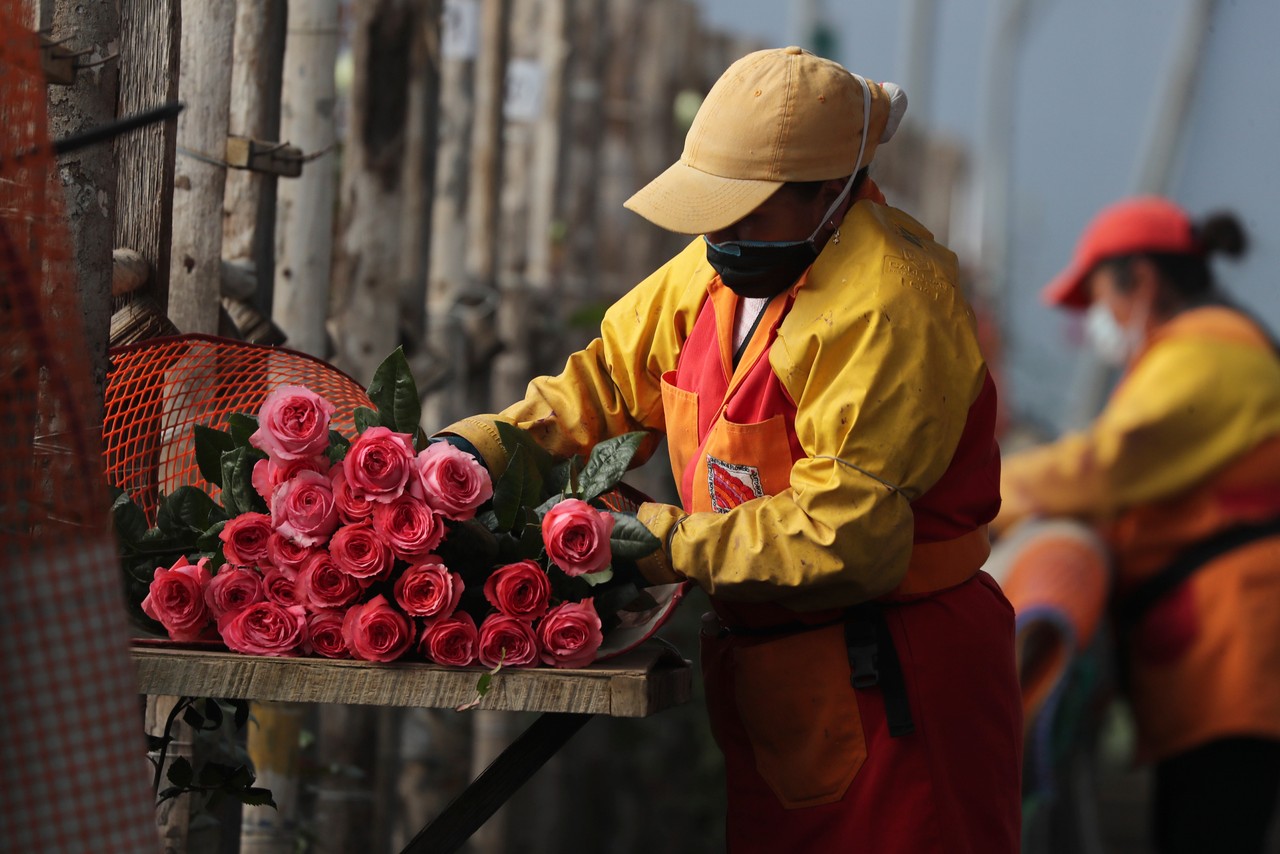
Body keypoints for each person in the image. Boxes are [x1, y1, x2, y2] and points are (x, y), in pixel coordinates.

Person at [439, 47, 1021, 852]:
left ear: (832, 195)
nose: (725, 230)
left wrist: (653, 542)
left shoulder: (891, 308)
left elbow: (844, 534)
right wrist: (466, 455)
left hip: (895, 674)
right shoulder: (721, 272)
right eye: (716, 208)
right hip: (777, 670)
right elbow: (604, 383)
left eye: (750, 211)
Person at [996, 196, 1280, 854]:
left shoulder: (1207, 355)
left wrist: (973, 492)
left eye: (1099, 300)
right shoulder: (1198, 350)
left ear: (1142, 281)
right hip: (1215, 661)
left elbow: (1101, 467)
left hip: (1236, 655)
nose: (1098, 322)